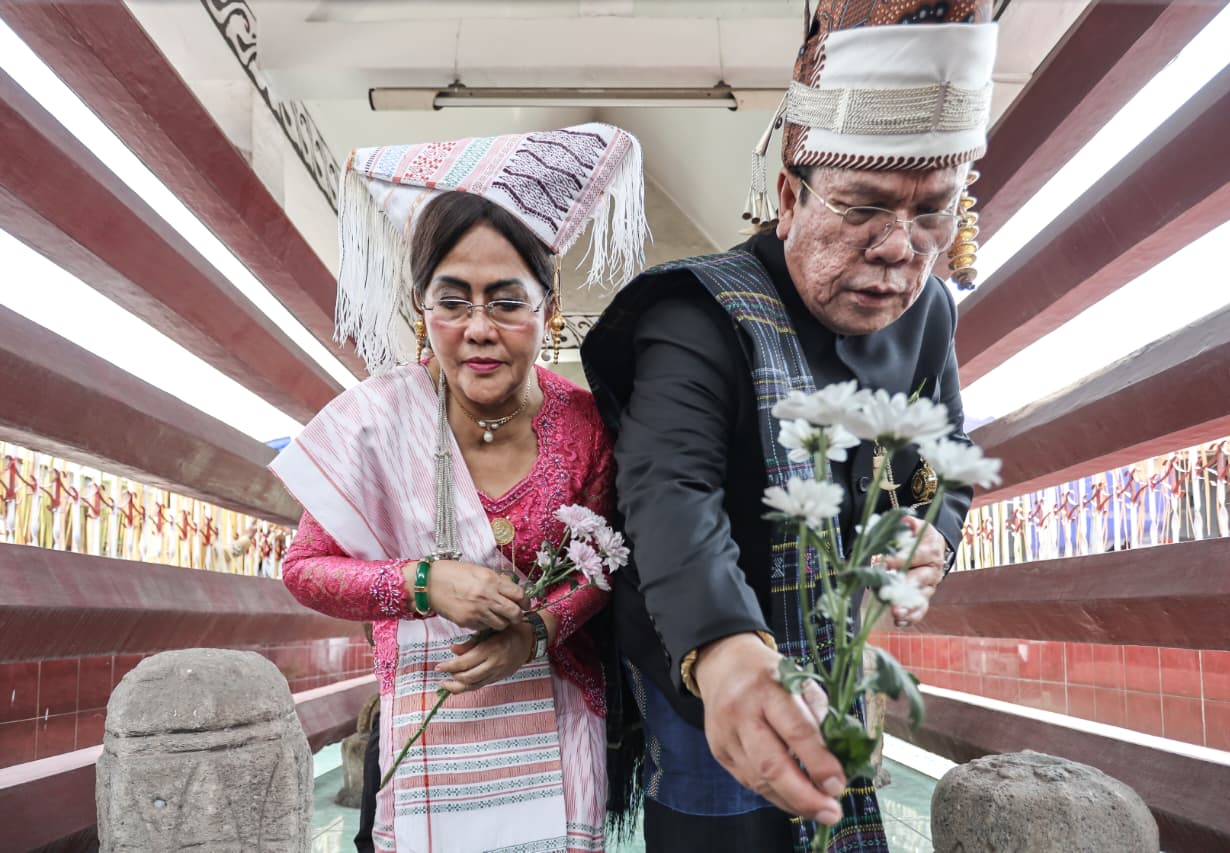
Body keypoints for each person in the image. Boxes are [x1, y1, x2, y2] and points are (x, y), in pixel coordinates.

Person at [581, 2, 998, 850]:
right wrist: (723, 647)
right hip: (706, 652)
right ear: (787, 196)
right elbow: (670, 485)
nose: (898, 249)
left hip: (835, 645)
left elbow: (940, 455)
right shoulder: (700, 311)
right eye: (862, 207)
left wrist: (929, 528)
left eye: (932, 214)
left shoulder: (929, 315)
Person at [271, 123, 647, 853]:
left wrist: (534, 631)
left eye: (506, 301)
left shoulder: (589, 425)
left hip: (559, 733)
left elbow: (605, 563)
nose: (478, 329)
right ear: (422, 309)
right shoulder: (378, 422)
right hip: (423, 734)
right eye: (453, 301)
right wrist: (425, 582)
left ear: (548, 309)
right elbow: (305, 569)